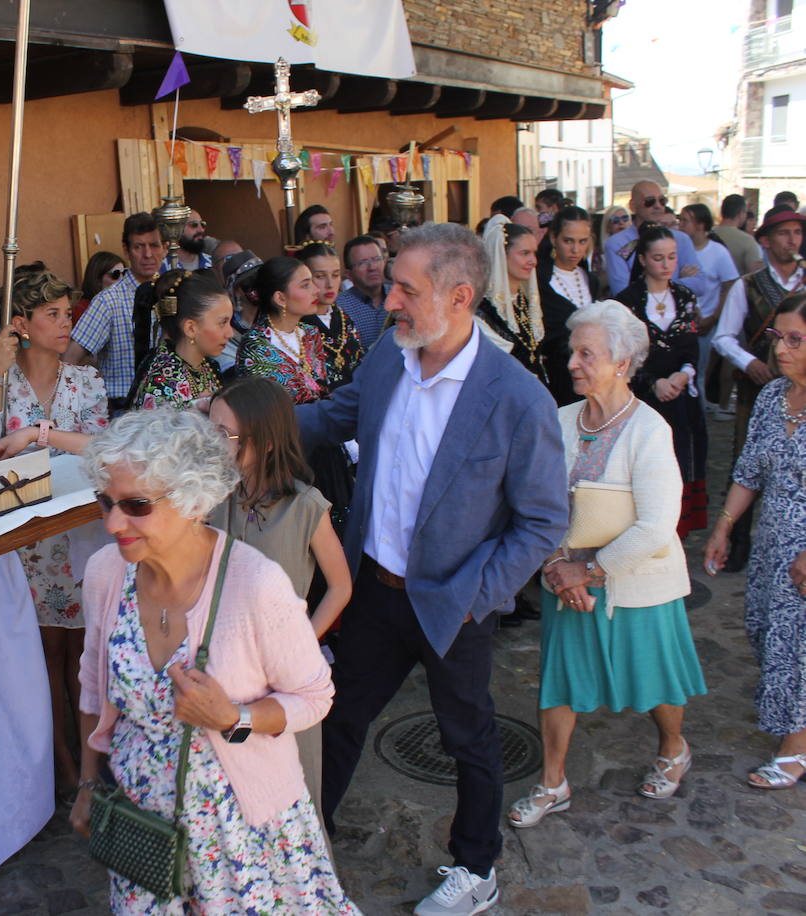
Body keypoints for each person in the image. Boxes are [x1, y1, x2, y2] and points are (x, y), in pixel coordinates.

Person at [296, 222, 568, 915]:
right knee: (337, 715)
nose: (388, 301)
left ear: (459, 297)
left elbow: (543, 521)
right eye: (391, 285)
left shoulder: (516, 397)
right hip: (373, 588)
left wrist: (480, 594)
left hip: (454, 601)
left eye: (406, 290)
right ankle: (301, 846)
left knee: (467, 735)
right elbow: (333, 417)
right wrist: (244, 422)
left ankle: (476, 867)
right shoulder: (390, 357)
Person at [70, 409, 358, 914]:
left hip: (243, 834)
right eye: (105, 501)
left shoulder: (255, 585)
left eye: (136, 505)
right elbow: (93, 688)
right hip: (145, 829)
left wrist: (234, 717)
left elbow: (315, 697)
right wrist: (89, 782)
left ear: (193, 499)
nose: (113, 523)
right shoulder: (105, 574)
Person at [507, 301, 705, 829]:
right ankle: (552, 782)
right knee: (559, 681)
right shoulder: (560, 421)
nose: (572, 363)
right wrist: (558, 565)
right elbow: (538, 503)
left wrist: (589, 571)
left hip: (637, 581)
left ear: (621, 363)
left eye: (586, 354)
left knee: (654, 679)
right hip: (567, 581)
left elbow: (657, 526)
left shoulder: (650, 430)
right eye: (573, 352)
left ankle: (673, 747)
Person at [0, 266, 107, 795]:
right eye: (53, 314)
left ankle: (89, 763)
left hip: (77, 529)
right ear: (21, 323)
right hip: (21, 537)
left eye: (68, 313)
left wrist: (40, 435)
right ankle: (57, 761)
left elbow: (100, 448)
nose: (67, 322)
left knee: (80, 654)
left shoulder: (85, 381)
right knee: (40, 654)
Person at [208, 377, 351, 822]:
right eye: (211, 429)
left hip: (283, 677)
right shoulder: (214, 495)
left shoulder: (306, 506)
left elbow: (340, 586)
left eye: (224, 434)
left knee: (291, 797)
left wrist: (303, 644)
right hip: (222, 668)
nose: (213, 442)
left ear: (265, 440)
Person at [704, 291, 806, 789]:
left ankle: (795, 748)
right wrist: (724, 525)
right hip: (771, 543)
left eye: (795, 339)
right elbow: (748, 471)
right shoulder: (771, 398)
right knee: (765, 630)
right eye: (777, 337)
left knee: (797, 644)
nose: (780, 349)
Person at [714, 205, 806, 570]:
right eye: (784, 233)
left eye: (797, 233)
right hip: (761, 387)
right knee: (748, 460)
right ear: (765, 241)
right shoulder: (747, 285)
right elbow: (723, 336)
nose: (792, 240)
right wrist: (748, 362)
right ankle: (737, 548)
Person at [615, 225, 709, 539]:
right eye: (658, 258)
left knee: (681, 455)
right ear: (643, 259)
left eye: (671, 257)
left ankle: (678, 530)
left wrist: (683, 374)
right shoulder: (626, 302)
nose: (666, 264)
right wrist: (652, 383)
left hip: (680, 395)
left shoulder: (684, 296)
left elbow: (691, 345)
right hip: (643, 396)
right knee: (646, 463)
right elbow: (624, 355)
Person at [67, 212, 166, 408]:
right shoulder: (108, 301)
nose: (148, 254)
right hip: (123, 407)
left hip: (165, 406)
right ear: (126, 251)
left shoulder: (172, 293)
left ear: (164, 248)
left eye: (154, 245)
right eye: (139, 246)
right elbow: (70, 358)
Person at [130, 270, 233, 410]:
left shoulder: (208, 366)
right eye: (222, 323)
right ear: (191, 328)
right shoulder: (163, 382)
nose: (230, 333)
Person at [234, 257, 328, 404]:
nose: (317, 290)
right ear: (280, 298)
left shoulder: (310, 333)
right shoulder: (255, 346)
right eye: (305, 285)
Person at [604, 180, 714, 304]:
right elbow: (622, 293)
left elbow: (700, 285)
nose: (658, 206)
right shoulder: (616, 244)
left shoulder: (681, 239)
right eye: (650, 201)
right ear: (633, 206)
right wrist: (677, 283)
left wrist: (661, 285)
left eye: (662, 201)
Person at [679, 202, 741, 395]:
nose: (680, 225)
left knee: (699, 373)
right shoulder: (677, 250)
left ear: (700, 225)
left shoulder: (718, 252)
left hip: (705, 324)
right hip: (680, 323)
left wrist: (713, 318)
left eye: (685, 221)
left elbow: (730, 285)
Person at [537, 206, 596, 405]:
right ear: (554, 238)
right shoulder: (538, 280)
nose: (575, 249)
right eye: (568, 241)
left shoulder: (590, 280)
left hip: (590, 381)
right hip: (556, 381)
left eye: (582, 241)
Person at [477, 216, 547, 385]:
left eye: (534, 253)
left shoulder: (525, 303)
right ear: (502, 255)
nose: (533, 261)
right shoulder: (483, 310)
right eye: (525, 253)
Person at [297, 241, 364, 390]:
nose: (330, 284)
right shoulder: (296, 325)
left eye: (335, 275)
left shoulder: (345, 319)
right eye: (320, 276)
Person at [337, 234, 391, 349]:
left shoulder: (399, 296)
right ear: (349, 274)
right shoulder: (340, 308)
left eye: (377, 259)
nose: (372, 267)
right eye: (362, 262)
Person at [717, 193, 765, 276]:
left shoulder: (706, 234)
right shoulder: (747, 240)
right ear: (741, 213)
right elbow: (755, 273)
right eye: (745, 212)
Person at [76, 250, 125, 323]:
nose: (122, 279)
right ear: (97, 280)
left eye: (124, 273)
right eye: (116, 275)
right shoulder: (82, 309)